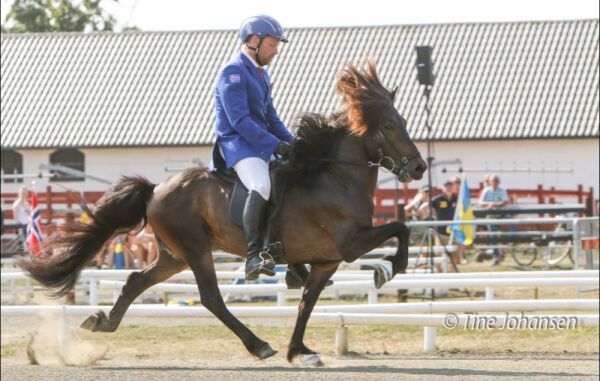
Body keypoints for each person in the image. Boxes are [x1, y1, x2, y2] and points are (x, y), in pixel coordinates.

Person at [213, 15, 293, 280]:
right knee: (261, 185)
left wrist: (293, 145)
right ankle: (253, 256)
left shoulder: (261, 74)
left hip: (259, 143)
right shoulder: (232, 72)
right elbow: (240, 121)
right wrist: (275, 146)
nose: (276, 50)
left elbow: (271, 118)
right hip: (237, 144)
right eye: (272, 44)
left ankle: (295, 262)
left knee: (290, 180)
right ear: (254, 41)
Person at [478, 174, 509, 266]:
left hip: (501, 216)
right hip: (490, 216)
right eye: (492, 180)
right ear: (489, 182)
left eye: (495, 180)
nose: (493, 182)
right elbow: (480, 202)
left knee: (501, 236)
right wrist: (490, 204)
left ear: (498, 182)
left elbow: (505, 201)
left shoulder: (502, 190)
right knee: (493, 236)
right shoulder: (486, 191)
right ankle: (496, 256)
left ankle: (499, 255)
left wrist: (494, 204)